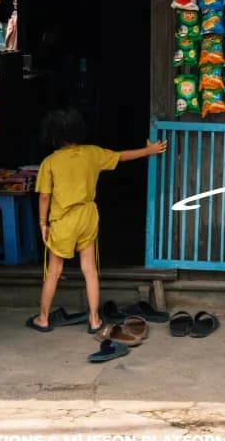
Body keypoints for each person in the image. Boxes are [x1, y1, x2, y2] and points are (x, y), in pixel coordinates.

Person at [27, 108, 167, 333]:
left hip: (63, 220)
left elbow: (44, 196)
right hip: (87, 216)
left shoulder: (49, 163)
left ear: (52, 134)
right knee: (90, 269)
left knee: (54, 271)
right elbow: (120, 156)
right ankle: (94, 319)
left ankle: (43, 318)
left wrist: (43, 223)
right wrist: (149, 150)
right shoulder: (92, 153)